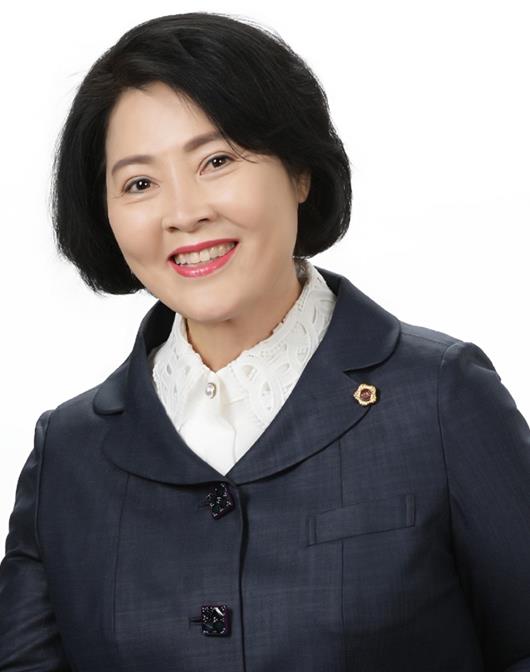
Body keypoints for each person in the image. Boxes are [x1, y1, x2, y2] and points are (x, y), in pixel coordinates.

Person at [1, 11, 529, 672]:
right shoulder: (69, 452)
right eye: (139, 183)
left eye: (217, 160)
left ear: (300, 171)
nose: (183, 213)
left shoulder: (441, 397)